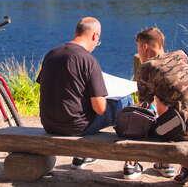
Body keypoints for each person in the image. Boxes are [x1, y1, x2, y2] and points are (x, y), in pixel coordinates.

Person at [37, 16, 133, 169]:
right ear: (95, 36)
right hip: (75, 127)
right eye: (98, 41)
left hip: (48, 124)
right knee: (126, 101)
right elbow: (100, 109)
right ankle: (131, 162)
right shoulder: (88, 60)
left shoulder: (51, 54)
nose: (96, 44)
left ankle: (82, 155)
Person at [131, 27, 188, 183]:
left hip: (186, 131)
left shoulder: (146, 68)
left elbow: (144, 107)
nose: (138, 52)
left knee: (150, 128)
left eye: (138, 47)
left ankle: (162, 162)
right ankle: (187, 167)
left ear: (144, 47)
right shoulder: (181, 54)